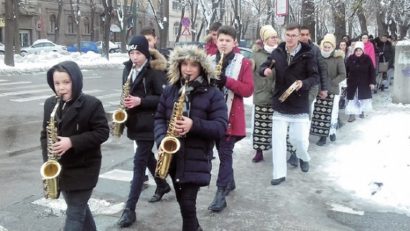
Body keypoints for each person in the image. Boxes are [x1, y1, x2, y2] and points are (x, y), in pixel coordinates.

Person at [154, 45, 228, 231]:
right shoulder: (170, 90)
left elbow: (220, 127)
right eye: (184, 64)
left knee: (188, 205)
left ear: (202, 67)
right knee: (183, 204)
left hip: (196, 157)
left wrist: (193, 125)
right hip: (173, 158)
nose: (188, 69)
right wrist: (162, 139)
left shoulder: (213, 94)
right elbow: (159, 118)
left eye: (193, 65)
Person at [40, 61, 109, 231]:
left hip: (84, 168)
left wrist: (72, 142)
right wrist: (49, 162)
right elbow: (44, 135)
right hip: (61, 169)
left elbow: (102, 132)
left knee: (75, 214)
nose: (61, 88)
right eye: (57, 83)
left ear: (76, 81)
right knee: (78, 209)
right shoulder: (50, 104)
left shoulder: (92, 104)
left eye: (66, 82)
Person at [117, 35, 171, 228]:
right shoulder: (127, 68)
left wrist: (141, 101)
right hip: (134, 123)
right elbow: (125, 91)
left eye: (138, 53)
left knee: (139, 163)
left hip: (150, 123)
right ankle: (163, 184)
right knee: (146, 156)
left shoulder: (155, 71)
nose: (134, 57)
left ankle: (129, 209)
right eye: (131, 53)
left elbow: (164, 98)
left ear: (146, 53)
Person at [259, 23, 319, 185]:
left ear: (299, 36)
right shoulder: (278, 52)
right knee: (278, 141)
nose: (290, 38)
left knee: (298, 139)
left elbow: (315, 77)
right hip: (281, 102)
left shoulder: (308, 54)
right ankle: (279, 174)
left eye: (294, 35)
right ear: (284, 35)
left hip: (299, 104)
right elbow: (265, 65)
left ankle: (303, 156)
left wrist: (303, 83)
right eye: (288, 35)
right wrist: (264, 70)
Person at [208, 25, 254, 212]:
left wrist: (226, 81)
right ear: (216, 41)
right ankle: (230, 181)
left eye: (228, 40)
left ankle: (220, 194)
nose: (224, 43)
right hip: (211, 115)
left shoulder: (243, 63)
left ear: (234, 42)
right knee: (220, 151)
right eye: (221, 40)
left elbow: (248, 89)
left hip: (230, 116)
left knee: (225, 153)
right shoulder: (209, 60)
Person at [287, 25, 327, 167]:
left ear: (309, 35)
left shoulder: (315, 50)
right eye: (301, 34)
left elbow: (322, 69)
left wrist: (324, 88)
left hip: (310, 88)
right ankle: (294, 150)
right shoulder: (291, 48)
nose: (304, 37)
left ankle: (299, 153)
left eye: (306, 34)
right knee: (292, 118)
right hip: (293, 87)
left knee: (303, 117)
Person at [310, 34, 346, 146]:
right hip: (319, 90)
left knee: (331, 114)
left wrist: (332, 83)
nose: (326, 49)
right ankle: (322, 135)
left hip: (332, 91)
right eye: (324, 46)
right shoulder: (318, 57)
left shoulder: (337, 58)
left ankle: (331, 132)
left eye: (328, 47)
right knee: (320, 114)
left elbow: (343, 74)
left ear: (333, 47)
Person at [250, 24, 279, 162]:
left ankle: (280, 151)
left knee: (279, 125)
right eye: (272, 37)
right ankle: (259, 151)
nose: (275, 39)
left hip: (279, 95)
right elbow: (249, 73)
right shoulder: (256, 55)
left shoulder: (281, 53)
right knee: (261, 125)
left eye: (275, 37)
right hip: (261, 93)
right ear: (265, 39)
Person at [345, 41, 376, 122]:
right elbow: (345, 71)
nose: (358, 52)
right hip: (352, 82)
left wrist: (372, 82)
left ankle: (361, 110)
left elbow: (372, 71)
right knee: (352, 99)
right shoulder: (350, 58)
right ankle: (352, 114)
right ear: (354, 51)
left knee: (362, 98)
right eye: (356, 50)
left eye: (360, 50)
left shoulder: (367, 58)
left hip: (364, 82)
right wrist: (344, 80)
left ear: (362, 51)